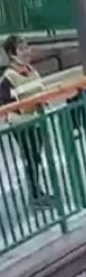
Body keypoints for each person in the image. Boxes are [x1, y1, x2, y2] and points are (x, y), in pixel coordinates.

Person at [0, 35, 50, 207]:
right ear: (12, 54)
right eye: (21, 49)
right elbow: (5, 102)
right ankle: (35, 195)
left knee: (35, 157)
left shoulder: (31, 70)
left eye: (26, 47)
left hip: (35, 120)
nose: (26, 51)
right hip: (22, 123)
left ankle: (37, 192)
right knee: (31, 157)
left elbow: (40, 90)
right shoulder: (8, 77)